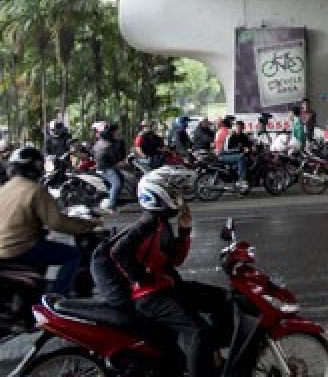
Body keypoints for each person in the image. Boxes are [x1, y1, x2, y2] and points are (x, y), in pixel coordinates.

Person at [106, 170, 228, 377]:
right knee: (197, 331)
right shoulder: (147, 224)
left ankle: (209, 357)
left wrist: (185, 231)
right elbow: (118, 251)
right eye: (172, 191)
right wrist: (142, 277)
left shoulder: (161, 224)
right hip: (150, 297)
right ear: (157, 194)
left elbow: (175, 260)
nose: (177, 196)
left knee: (223, 299)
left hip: (167, 287)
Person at [0, 147, 102, 295]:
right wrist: (88, 225)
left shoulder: (4, 189)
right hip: (20, 248)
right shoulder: (35, 190)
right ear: (34, 167)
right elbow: (57, 223)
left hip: (4, 248)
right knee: (73, 255)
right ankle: (57, 297)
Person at [93, 124, 123, 213]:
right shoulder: (106, 143)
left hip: (106, 167)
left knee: (120, 179)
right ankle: (111, 206)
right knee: (117, 184)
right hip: (106, 168)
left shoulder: (101, 143)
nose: (114, 133)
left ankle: (112, 201)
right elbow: (114, 156)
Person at [217, 119, 249, 189]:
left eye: (241, 127)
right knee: (240, 157)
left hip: (234, 155)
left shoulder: (244, 137)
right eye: (237, 127)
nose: (239, 129)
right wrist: (240, 149)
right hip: (224, 155)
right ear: (235, 127)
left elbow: (248, 145)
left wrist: (252, 147)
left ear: (243, 128)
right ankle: (241, 180)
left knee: (245, 158)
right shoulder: (230, 136)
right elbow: (226, 149)